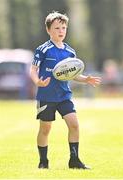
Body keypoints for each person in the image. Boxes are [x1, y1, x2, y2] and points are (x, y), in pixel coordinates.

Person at [30, 11, 101, 169]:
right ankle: (43, 161)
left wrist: (85, 79)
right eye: (56, 28)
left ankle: (74, 160)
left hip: (64, 96)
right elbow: (33, 70)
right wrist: (38, 82)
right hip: (46, 96)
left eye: (63, 28)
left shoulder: (70, 52)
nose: (61, 31)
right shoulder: (43, 49)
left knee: (74, 125)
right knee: (45, 128)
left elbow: (72, 74)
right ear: (48, 30)